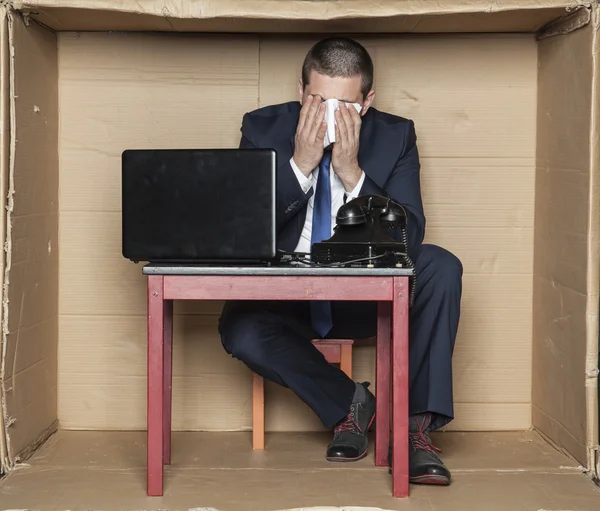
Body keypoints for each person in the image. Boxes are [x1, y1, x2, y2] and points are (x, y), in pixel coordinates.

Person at [218, 36, 462, 486]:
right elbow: (242, 233)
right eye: (318, 100)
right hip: (289, 296)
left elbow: (409, 237)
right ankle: (351, 404)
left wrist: (353, 173)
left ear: (367, 101)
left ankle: (414, 430)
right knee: (241, 327)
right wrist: (300, 165)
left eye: (344, 105)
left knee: (440, 266)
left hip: (363, 295)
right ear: (300, 90)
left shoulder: (396, 135)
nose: (328, 116)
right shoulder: (261, 128)